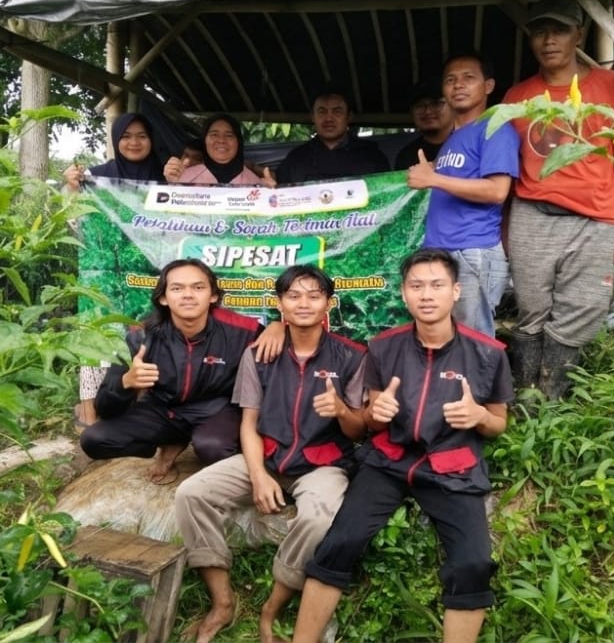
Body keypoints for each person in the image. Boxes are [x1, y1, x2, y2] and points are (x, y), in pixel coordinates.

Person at [293, 249, 512, 643]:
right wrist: (379, 412)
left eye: (436, 285)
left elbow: (498, 422)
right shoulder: (384, 347)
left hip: (451, 467)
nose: (426, 294)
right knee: (340, 541)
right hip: (388, 462)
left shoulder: (488, 353)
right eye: (416, 286)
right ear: (404, 294)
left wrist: (479, 417)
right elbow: (369, 420)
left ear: (456, 291)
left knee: (474, 561)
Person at [174, 265, 366, 643]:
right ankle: (223, 602)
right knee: (190, 494)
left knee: (316, 520)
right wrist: (259, 474)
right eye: (293, 296)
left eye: (314, 295)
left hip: (322, 464)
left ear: (329, 303)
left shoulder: (351, 357)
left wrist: (342, 411)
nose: (304, 303)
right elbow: (248, 422)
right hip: (269, 455)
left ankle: (271, 609)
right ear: (280, 305)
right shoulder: (259, 353)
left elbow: (359, 430)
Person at [501, 0, 614, 398]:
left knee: (582, 308)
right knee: (531, 310)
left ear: (579, 34)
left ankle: (554, 399)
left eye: (560, 30)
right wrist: (506, 232)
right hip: (532, 213)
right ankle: (527, 400)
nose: (549, 40)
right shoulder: (517, 96)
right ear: (531, 39)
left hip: (596, 216)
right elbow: (508, 172)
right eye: (540, 31)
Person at [79, 259, 263, 484]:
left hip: (216, 409)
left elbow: (288, 344)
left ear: (213, 296)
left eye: (198, 287)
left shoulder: (242, 331)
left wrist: (277, 329)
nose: (188, 295)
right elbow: (105, 407)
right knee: (94, 439)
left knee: (213, 448)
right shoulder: (141, 335)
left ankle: (194, 441)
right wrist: (126, 382)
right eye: (177, 288)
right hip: (163, 411)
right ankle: (172, 440)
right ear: (164, 298)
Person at [406, 53, 519, 337]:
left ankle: (482, 385)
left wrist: (434, 178)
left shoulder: (495, 128)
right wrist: (436, 174)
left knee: (474, 340)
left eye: (469, 78)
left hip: (472, 250)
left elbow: (497, 191)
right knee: (449, 340)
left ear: (489, 86)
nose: (458, 85)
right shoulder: (454, 138)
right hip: (443, 252)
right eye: (450, 80)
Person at [274, 87, 389, 184]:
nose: (329, 118)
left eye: (337, 111)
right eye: (322, 111)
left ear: (349, 116)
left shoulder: (372, 156)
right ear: (313, 117)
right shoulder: (296, 158)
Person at [63, 112, 166, 191]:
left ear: (151, 139)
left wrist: (176, 184)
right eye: (126, 136)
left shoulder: (166, 176)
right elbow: (71, 214)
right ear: (116, 139)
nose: (134, 142)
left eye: (142, 136)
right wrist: (72, 187)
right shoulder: (93, 176)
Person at [171, 114, 267, 185]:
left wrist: (269, 195)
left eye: (229, 135)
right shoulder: (185, 177)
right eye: (214, 134)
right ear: (205, 140)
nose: (221, 140)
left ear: (239, 142)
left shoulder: (255, 184)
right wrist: (173, 185)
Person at [394, 81, 455, 169]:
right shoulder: (406, 156)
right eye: (419, 106)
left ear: (453, 107)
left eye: (436, 103)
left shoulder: (469, 145)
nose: (428, 111)